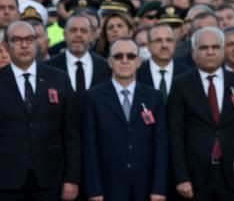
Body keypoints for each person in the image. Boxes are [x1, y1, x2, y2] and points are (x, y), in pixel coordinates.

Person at [168, 26, 234, 201]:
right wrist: (181, 178)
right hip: (195, 177)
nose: (210, 52)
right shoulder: (181, 85)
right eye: (203, 48)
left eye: (215, 47)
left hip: (233, 175)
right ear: (193, 53)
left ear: (223, 51)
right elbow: (175, 135)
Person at [0, 21, 81, 200]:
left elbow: (71, 134)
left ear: (37, 43)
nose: (24, 45)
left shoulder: (59, 78)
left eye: (30, 39)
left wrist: (72, 179)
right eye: (16, 40)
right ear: (5, 46)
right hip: (6, 181)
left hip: (50, 180)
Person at [83, 38, 169, 201]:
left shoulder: (154, 97)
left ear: (138, 61)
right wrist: (94, 190)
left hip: (145, 186)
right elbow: (89, 146)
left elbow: (161, 144)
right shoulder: (93, 97)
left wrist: (159, 187)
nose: (124, 61)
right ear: (109, 62)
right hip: (108, 186)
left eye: (130, 56)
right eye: (118, 56)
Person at [45, 14, 111, 98]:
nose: (78, 35)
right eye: (73, 30)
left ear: (91, 36)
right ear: (65, 35)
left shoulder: (105, 67)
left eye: (83, 31)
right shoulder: (49, 67)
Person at [137, 23, 190, 102]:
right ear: (148, 45)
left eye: (169, 40)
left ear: (175, 44)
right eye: (158, 40)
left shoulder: (188, 74)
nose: (164, 45)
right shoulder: (137, 74)